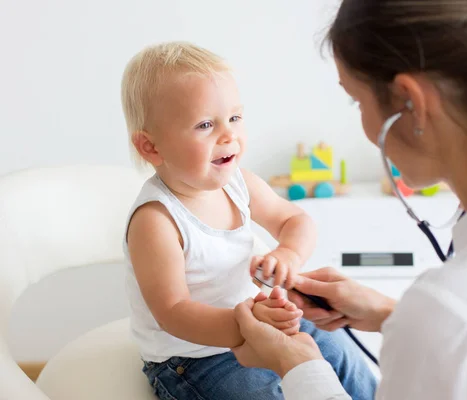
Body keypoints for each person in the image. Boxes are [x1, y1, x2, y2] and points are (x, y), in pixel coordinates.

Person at [231, 0, 467, 398]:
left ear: (410, 102)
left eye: (357, 100)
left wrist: (295, 365)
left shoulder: (446, 313)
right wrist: (391, 315)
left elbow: (463, 334)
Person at [119, 41, 377, 400]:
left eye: (235, 118)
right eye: (205, 124)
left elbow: (294, 220)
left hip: (263, 322)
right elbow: (172, 312)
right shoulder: (156, 220)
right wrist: (245, 326)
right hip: (196, 357)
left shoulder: (239, 182)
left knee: (340, 355)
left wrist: (288, 255)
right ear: (152, 147)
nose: (229, 135)